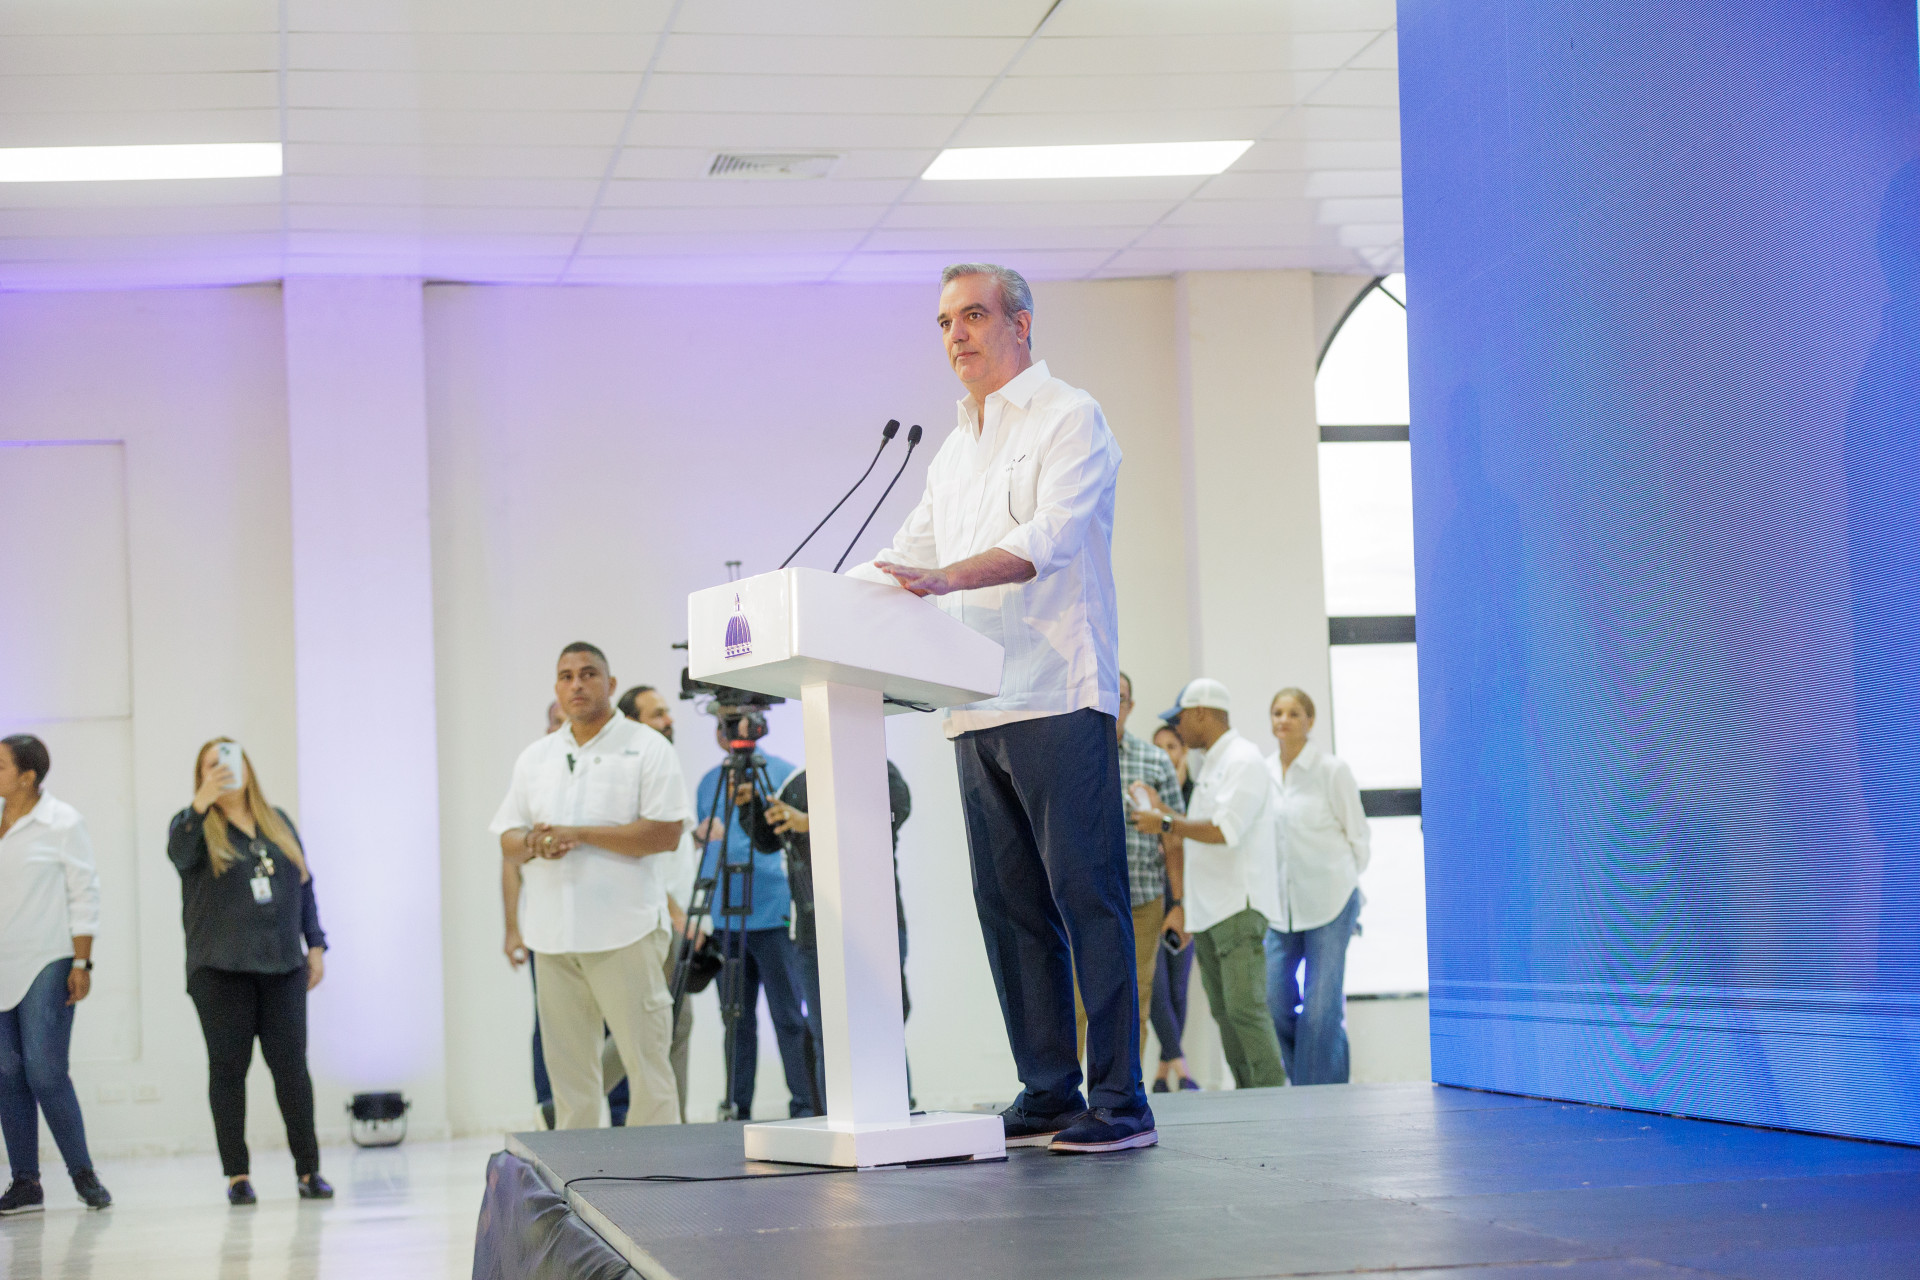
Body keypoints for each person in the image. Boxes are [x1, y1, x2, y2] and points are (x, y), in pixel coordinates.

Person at [849, 261, 1151, 1154]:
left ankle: (1122, 1101)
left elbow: (1049, 537)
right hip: (975, 704)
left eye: (974, 316)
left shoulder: (1069, 416)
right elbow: (906, 557)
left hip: (1057, 692)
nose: (957, 335)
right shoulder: (953, 451)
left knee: (1086, 897)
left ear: (1021, 323)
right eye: (945, 322)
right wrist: (806, 601)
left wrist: (948, 578)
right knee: (1010, 909)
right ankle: (1049, 1089)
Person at [491, 643, 689, 1130]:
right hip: (553, 940)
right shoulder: (536, 757)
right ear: (556, 688)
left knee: (648, 1072)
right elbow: (507, 840)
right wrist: (535, 843)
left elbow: (665, 833)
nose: (576, 684)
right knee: (570, 1084)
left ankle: (655, 1172)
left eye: (588, 674)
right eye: (566, 676)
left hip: (626, 935)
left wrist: (579, 833)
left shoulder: (647, 748)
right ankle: (576, 1171)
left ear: (611, 684)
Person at [169, 738, 331, 1204]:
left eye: (229, 760)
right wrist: (200, 804)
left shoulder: (277, 822)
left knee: (292, 1070)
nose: (222, 770)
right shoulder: (192, 826)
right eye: (210, 765)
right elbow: (179, 856)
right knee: (228, 1071)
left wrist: (315, 944)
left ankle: (309, 1171)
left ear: (247, 767)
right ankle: (237, 1176)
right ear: (200, 775)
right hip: (220, 969)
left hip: (283, 966)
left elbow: (305, 885)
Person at [1135, 680, 1287, 1090]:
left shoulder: (1243, 760)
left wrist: (1166, 821)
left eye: (1180, 718)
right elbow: (1198, 832)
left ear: (1201, 712)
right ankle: (1252, 1100)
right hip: (1211, 910)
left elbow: (1224, 830)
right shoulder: (1213, 765)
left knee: (1245, 1011)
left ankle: (1276, 1103)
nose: (1177, 727)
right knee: (1227, 1014)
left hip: (1237, 906)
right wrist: (1162, 810)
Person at [761, 760, 913, 1108]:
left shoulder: (877, 767)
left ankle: (893, 1117)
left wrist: (812, 823)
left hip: (875, 926)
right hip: (814, 931)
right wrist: (750, 809)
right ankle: (837, 1118)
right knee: (826, 1039)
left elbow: (889, 817)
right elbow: (768, 839)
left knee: (883, 1030)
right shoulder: (799, 782)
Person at [0, 736, 110, 1214]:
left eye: (0, 765)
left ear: (28, 777)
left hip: (48, 960)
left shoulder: (63, 822)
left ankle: (83, 1173)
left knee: (45, 1072)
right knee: (6, 1073)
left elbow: (85, 893)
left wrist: (82, 963)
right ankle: (26, 1182)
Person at [693, 716, 814, 1120]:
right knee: (735, 1022)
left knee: (789, 1018)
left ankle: (807, 1107)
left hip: (774, 914)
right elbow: (709, 846)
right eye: (723, 724)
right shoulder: (709, 783)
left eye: (736, 723)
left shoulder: (780, 773)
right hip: (725, 918)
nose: (729, 733)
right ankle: (736, 1108)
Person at [1265, 687, 1371, 1085]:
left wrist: (1347, 885)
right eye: (1277, 712)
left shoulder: (1331, 771)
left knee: (1321, 1010)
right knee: (1273, 1000)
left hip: (1332, 901)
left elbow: (1359, 837)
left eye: (1294, 713)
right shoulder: (1263, 772)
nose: (1284, 720)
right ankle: (1320, 1081)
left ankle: (1312, 1098)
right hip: (1281, 908)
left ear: (1310, 721)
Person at [616, 684, 697, 1122]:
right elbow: (641, 848)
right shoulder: (631, 771)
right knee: (661, 1024)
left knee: (671, 1024)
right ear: (632, 722)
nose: (669, 720)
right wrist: (675, 910)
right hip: (657, 918)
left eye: (667, 712)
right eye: (657, 714)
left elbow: (672, 843)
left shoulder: (663, 764)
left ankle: (673, 1121)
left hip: (672, 917)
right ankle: (671, 1125)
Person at [1099, 674, 1184, 1072]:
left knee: (1136, 999)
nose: (1113, 705)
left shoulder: (1155, 761)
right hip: (1085, 900)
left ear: (1131, 706)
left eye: (1121, 698)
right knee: (1078, 1002)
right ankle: (1072, 1097)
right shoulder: (1072, 759)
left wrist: (1178, 902)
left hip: (1144, 898)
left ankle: (1126, 1092)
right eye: (1105, 695)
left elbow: (1175, 835)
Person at [1153, 722, 1195, 807]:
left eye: (1171, 747)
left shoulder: (1195, 793)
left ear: (1184, 750)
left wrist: (1176, 786)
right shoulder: (1149, 789)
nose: (1164, 753)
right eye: (1158, 748)